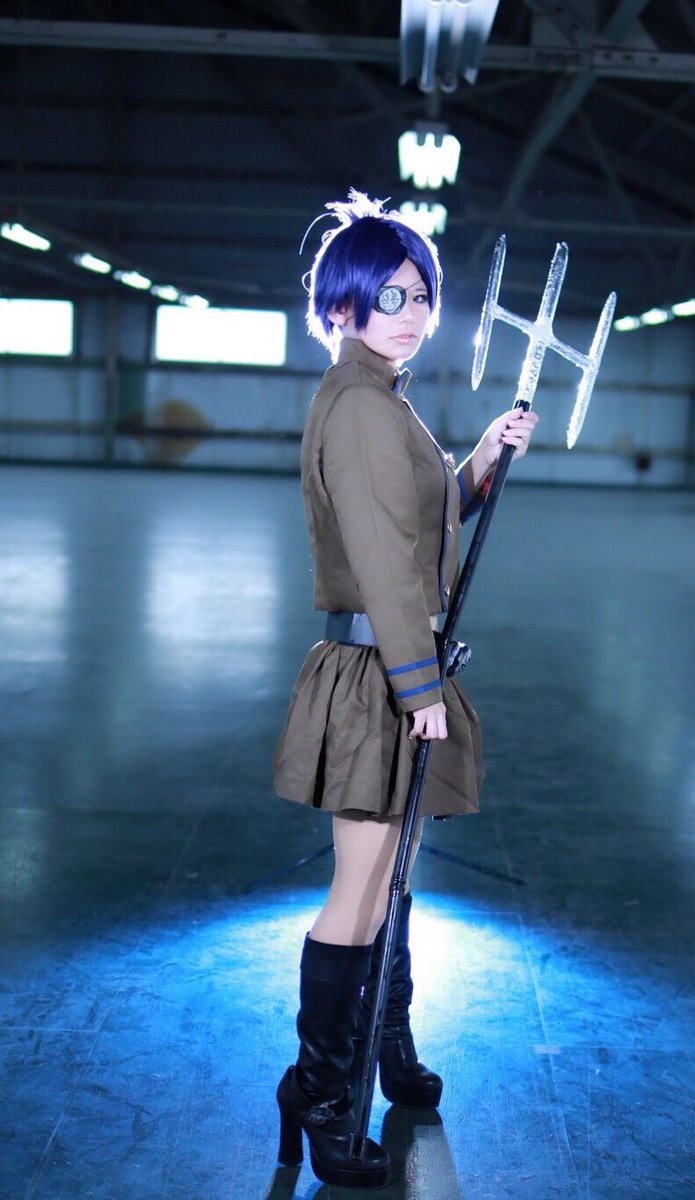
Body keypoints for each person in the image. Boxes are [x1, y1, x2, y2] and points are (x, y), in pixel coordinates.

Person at [273, 190, 538, 1189]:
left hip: (393, 666)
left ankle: (382, 1054)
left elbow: (423, 524)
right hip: (374, 674)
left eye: (421, 294)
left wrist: (481, 458)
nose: (410, 311)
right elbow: (385, 565)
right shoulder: (357, 407)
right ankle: (316, 1093)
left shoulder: (384, 399)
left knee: (394, 878)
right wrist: (417, 685)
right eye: (388, 294)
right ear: (340, 303)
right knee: (357, 888)